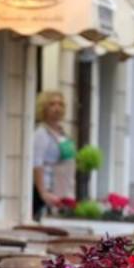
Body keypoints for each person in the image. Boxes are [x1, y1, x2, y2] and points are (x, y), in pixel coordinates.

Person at [32, 90, 75, 221]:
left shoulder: (62, 133)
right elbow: (36, 163)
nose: (57, 108)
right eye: (52, 104)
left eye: (60, 104)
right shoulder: (41, 133)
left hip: (60, 189)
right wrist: (43, 193)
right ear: (43, 108)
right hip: (45, 190)